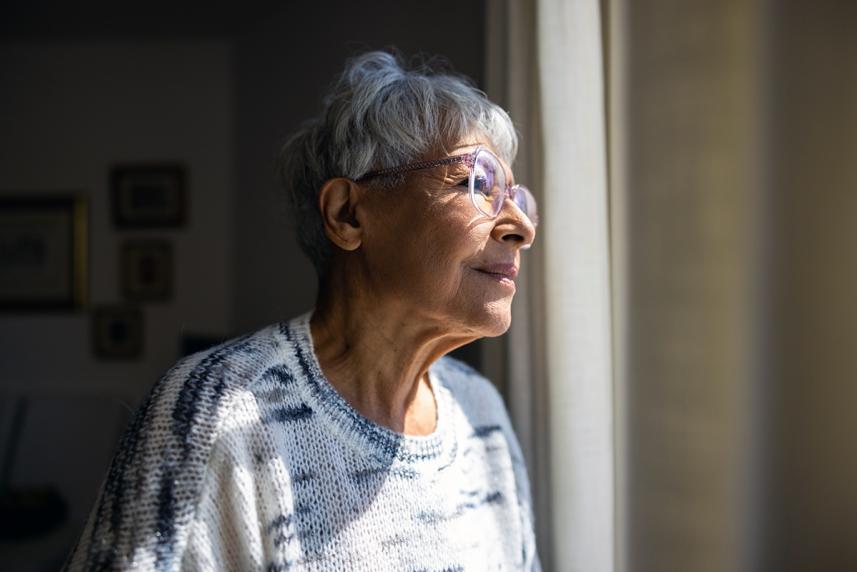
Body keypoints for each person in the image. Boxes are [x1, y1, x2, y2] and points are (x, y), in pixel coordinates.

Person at [66, 50, 540, 571]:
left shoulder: (481, 414)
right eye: (477, 184)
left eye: (516, 196)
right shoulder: (217, 410)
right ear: (348, 214)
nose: (521, 226)